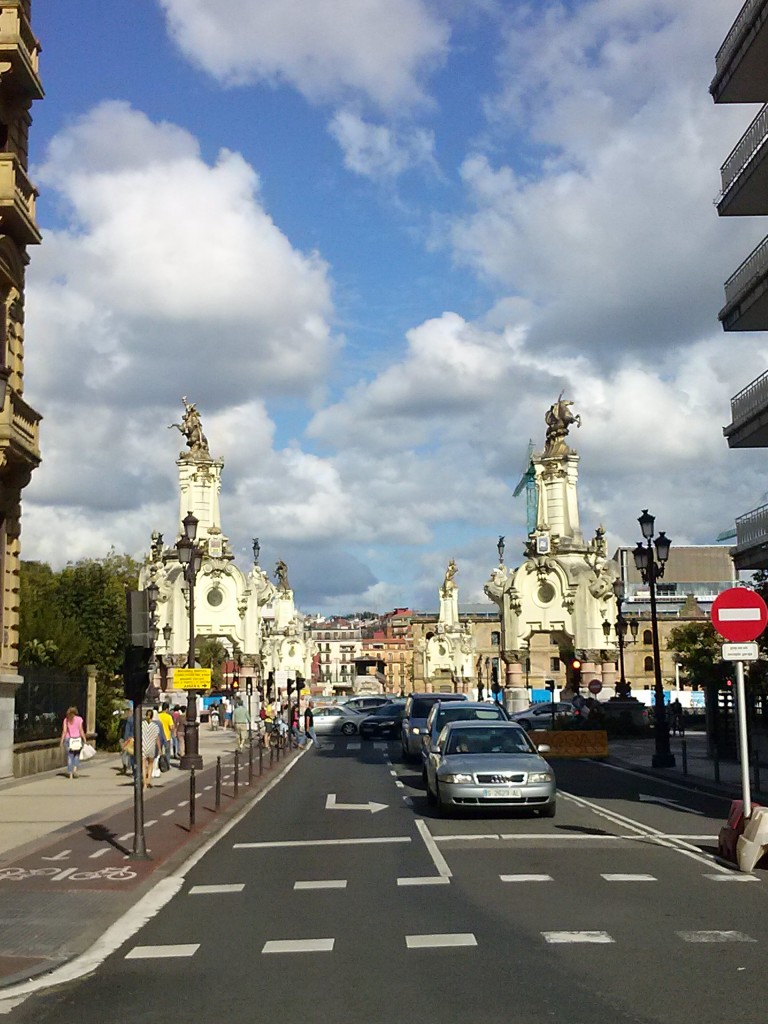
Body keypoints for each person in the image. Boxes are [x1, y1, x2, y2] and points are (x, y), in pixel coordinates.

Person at [60, 706, 87, 779]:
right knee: (77, 755)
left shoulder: (66, 720)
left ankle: (70, 774)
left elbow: (64, 731)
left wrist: (61, 741)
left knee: (70, 756)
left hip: (68, 739)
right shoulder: (79, 719)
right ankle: (75, 769)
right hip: (77, 740)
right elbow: (81, 730)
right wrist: (84, 739)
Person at [142, 709, 162, 790]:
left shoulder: (142, 725)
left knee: (143, 766)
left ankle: (144, 783)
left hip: (143, 746)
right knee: (150, 765)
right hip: (151, 747)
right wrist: (160, 749)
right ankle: (149, 780)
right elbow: (157, 738)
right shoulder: (155, 726)